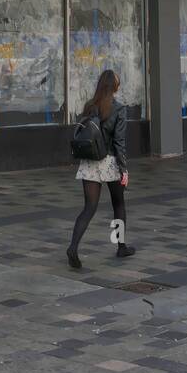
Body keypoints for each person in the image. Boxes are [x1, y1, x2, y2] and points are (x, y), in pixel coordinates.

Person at [67, 69, 135, 269]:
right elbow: (120, 142)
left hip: (89, 161)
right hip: (110, 162)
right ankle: (121, 246)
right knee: (118, 205)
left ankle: (73, 247)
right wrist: (124, 170)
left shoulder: (90, 106)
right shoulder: (119, 109)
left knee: (89, 208)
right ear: (114, 87)